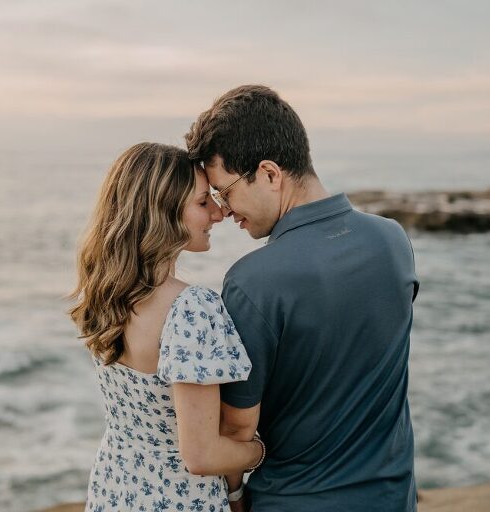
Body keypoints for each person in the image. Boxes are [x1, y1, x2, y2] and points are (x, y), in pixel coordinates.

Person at [185, 85, 419, 511]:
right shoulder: (393, 240)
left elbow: (238, 429)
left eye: (226, 191)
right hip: (392, 497)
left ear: (270, 174)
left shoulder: (253, 281)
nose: (225, 210)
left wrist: (235, 497)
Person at [69, 142, 265, 511]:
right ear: (164, 212)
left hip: (115, 488)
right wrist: (262, 451)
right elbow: (202, 455)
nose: (219, 213)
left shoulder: (105, 292)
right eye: (203, 202)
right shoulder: (192, 308)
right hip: (179, 499)